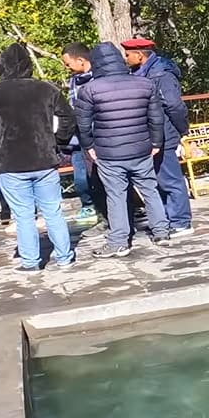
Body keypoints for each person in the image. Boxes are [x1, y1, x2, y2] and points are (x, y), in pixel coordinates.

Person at [0, 43, 78, 271]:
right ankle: (64, 257)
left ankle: (30, 262)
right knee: (53, 212)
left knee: (23, 216)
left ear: (1, 66)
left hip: (9, 164)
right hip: (44, 160)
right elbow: (69, 118)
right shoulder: (46, 89)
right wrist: (58, 142)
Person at [74, 42, 174, 257]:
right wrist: (156, 143)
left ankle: (119, 241)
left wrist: (89, 147)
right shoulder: (144, 84)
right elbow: (156, 118)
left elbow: (83, 125)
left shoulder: (89, 89)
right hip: (141, 148)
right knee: (149, 189)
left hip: (109, 152)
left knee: (116, 195)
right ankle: (161, 232)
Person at [120, 37, 193, 236]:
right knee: (158, 179)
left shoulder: (162, 75)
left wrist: (182, 130)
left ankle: (181, 221)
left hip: (165, 133)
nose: (125, 58)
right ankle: (168, 218)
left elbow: (174, 105)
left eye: (127, 55)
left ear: (139, 55)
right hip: (151, 134)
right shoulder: (140, 73)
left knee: (171, 179)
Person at [61, 43, 100, 223]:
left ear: (80, 60)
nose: (67, 68)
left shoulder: (100, 78)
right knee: (81, 178)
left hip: (98, 135)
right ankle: (89, 205)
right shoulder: (74, 80)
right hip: (79, 135)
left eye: (68, 64)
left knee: (102, 176)